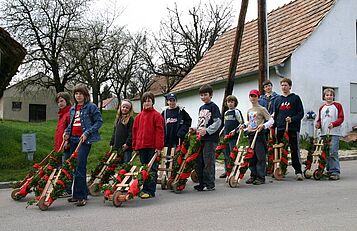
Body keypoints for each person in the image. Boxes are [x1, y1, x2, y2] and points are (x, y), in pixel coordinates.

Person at [64, 84, 103, 206]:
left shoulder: (91, 107)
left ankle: (81, 196)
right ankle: (78, 193)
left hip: (84, 140)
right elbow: (71, 124)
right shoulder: (73, 108)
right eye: (76, 94)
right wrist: (66, 133)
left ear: (85, 95)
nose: (78, 96)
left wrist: (87, 132)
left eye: (80, 93)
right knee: (74, 166)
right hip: (73, 140)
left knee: (80, 166)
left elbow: (99, 122)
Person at [132, 92, 164, 199]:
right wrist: (135, 146)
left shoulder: (157, 116)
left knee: (152, 168)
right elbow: (135, 132)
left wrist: (159, 147)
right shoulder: (138, 117)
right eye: (145, 101)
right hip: (141, 146)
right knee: (144, 167)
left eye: (149, 101)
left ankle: (150, 191)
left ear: (152, 102)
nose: (147, 103)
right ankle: (144, 188)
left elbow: (160, 132)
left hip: (152, 147)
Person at [274, 78, 304, 181]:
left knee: (294, 150)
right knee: (281, 151)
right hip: (281, 129)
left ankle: (298, 172)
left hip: (292, 128)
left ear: (290, 86)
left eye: (286, 85)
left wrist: (292, 119)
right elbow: (276, 115)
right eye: (282, 85)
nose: (284, 87)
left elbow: (301, 113)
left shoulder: (295, 98)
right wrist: (273, 128)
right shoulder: (278, 100)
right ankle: (281, 170)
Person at [241, 89, 274, 185]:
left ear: (258, 97)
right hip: (251, 134)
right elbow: (250, 122)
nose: (253, 98)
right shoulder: (249, 110)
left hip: (259, 135)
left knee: (260, 156)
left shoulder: (262, 109)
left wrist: (263, 126)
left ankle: (261, 177)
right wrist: (244, 126)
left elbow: (271, 120)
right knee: (252, 156)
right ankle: (253, 175)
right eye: (251, 96)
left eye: (255, 96)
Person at [194, 84, 221, 191]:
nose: (203, 97)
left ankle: (210, 183)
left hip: (210, 139)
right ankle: (202, 183)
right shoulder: (201, 108)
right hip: (200, 138)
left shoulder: (213, 107)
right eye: (201, 95)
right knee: (199, 161)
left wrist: (208, 130)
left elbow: (218, 122)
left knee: (208, 161)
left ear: (211, 95)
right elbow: (201, 122)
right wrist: (196, 129)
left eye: (205, 95)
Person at [315, 88, 344, 180]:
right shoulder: (322, 108)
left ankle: (335, 171)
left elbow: (341, 118)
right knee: (325, 152)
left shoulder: (337, 106)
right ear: (324, 97)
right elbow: (320, 119)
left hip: (334, 133)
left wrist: (334, 124)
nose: (329, 97)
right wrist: (318, 124)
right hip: (324, 133)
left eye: (331, 95)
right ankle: (328, 170)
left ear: (333, 96)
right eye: (327, 95)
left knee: (333, 151)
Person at [220, 95, 244, 178]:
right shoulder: (226, 113)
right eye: (228, 102)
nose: (230, 104)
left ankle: (234, 171)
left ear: (235, 103)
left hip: (233, 137)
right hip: (226, 137)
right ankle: (227, 171)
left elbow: (242, 123)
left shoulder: (236, 112)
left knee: (232, 154)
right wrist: (221, 132)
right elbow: (224, 124)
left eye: (232, 102)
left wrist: (235, 131)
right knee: (226, 154)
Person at [55, 92, 72, 197]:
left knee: (66, 168)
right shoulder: (61, 114)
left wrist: (68, 142)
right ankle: (63, 187)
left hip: (66, 145)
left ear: (67, 100)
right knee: (61, 167)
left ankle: (68, 189)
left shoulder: (69, 113)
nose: (60, 104)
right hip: (59, 146)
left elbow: (70, 130)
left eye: (61, 101)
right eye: (58, 102)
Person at [109, 99, 134, 163]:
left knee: (126, 163)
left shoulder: (130, 119)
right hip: (118, 146)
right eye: (123, 107)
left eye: (127, 108)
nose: (125, 109)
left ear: (129, 109)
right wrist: (112, 143)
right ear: (120, 107)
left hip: (126, 147)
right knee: (117, 163)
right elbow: (115, 132)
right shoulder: (118, 119)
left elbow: (132, 133)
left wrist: (127, 143)